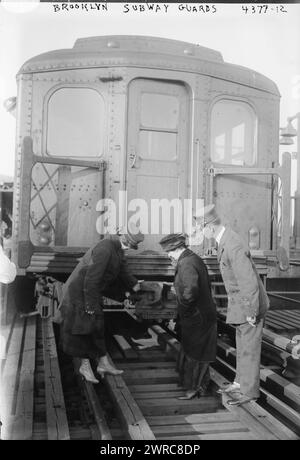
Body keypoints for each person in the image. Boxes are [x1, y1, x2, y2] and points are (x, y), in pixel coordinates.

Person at [195, 204, 269, 405]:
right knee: (242, 344)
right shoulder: (226, 240)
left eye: (201, 228)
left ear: (210, 227)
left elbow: (248, 281)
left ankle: (250, 391)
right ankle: (240, 382)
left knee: (250, 348)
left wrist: (251, 310)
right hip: (240, 303)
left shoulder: (232, 244)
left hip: (249, 303)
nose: (202, 233)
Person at [60, 223, 144, 383]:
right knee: (86, 329)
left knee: (98, 327)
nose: (128, 248)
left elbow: (123, 269)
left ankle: (103, 364)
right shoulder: (105, 249)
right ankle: (85, 367)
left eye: (131, 246)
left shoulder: (117, 249)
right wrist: (90, 306)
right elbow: (92, 279)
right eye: (128, 244)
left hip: (91, 291)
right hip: (82, 292)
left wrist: (135, 285)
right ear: (122, 237)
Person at [159, 233, 217, 399]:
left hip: (197, 316)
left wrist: (183, 308)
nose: (168, 255)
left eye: (170, 251)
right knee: (198, 351)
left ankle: (193, 389)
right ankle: (199, 387)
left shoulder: (186, 263)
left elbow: (191, 291)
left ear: (178, 249)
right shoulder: (192, 258)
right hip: (202, 315)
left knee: (195, 353)